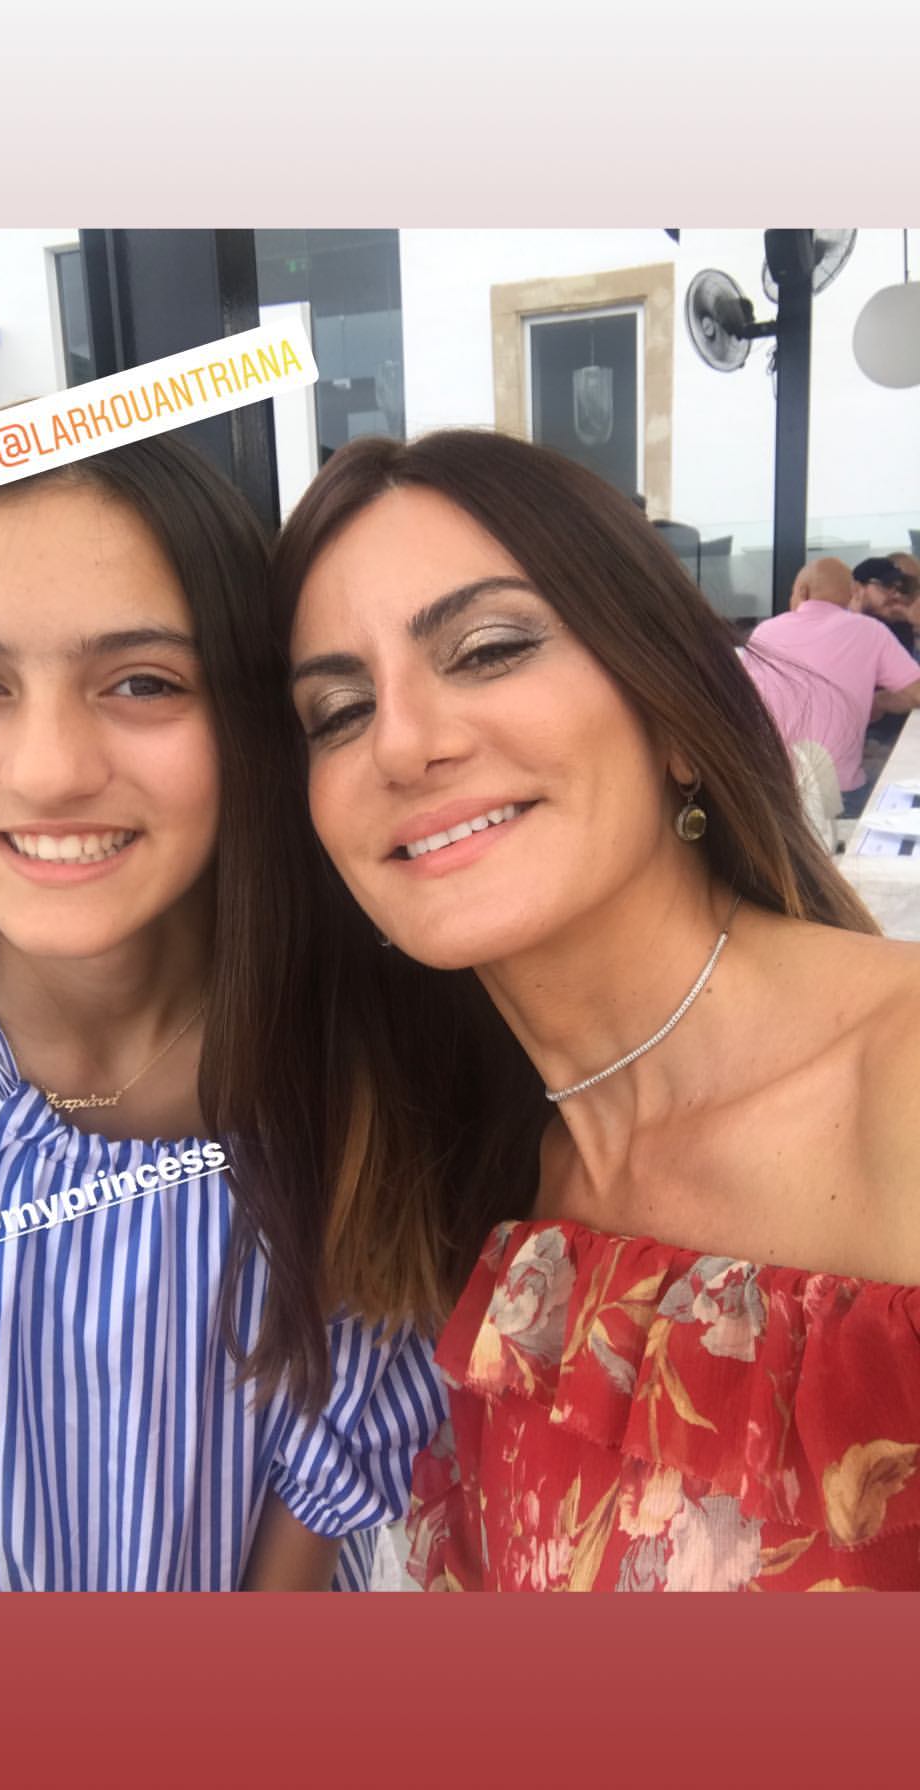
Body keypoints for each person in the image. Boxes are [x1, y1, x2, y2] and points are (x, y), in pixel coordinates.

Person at [254, 428, 920, 1593]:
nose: (401, 743)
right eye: (339, 711)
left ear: (673, 711)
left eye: (489, 649)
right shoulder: (479, 1179)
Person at [0, 428, 444, 1592]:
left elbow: (332, 1470)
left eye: (142, 682)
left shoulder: (354, 1036)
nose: (50, 771)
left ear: (252, 713)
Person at [741, 557, 920, 815]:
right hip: (841, 796)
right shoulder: (870, 631)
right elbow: (916, 693)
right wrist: (878, 702)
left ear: (802, 592)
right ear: (851, 594)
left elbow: (744, 701)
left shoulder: (764, 633)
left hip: (775, 792)